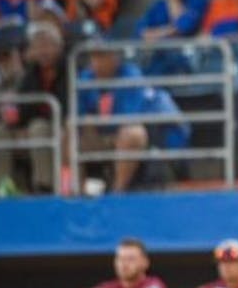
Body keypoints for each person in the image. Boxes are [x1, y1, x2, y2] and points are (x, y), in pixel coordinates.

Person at [77, 44, 191, 192]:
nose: (97, 63)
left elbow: (128, 117)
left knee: (132, 133)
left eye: (102, 57)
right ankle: (75, 192)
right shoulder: (86, 77)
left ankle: (118, 192)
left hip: (151, 135)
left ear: (115, 58)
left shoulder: (130, 75)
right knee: (69, 132)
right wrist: (87, 122)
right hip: (107, 132)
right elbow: (78, 114)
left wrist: (98, 122)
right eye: (94, 57)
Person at [0, 21, 68, 195]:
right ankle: (0, 185)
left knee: (38, 127)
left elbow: (66, 106)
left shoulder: (68, 69)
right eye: (38, 46)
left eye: (47, 45)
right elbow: (24, 105)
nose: (43, 51)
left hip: (59, 126)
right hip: (32, 125)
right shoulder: (31, 74)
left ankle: (43, 186)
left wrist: (30, 124)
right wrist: (17, 122)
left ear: (59, 47)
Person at [136, 0, 210, 75]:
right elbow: (142, 33)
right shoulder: (159, 4)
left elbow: (183, 27)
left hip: (185, 61)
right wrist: (170, 30)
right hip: (158, 60)